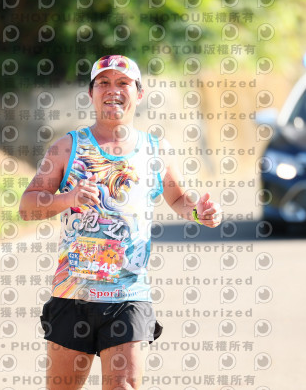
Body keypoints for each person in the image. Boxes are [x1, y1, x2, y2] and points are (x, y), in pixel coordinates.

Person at [19, 55, 222, 390]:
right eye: (104, 83)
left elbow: (179, 199)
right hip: (73, 294)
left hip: (128, 294)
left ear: (139, 94)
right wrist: (67, 199)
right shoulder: (67, 147)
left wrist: (200, 211)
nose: (113, 90)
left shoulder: (155, 150)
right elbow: (27, 207)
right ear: (91, 93)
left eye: (123, 83)